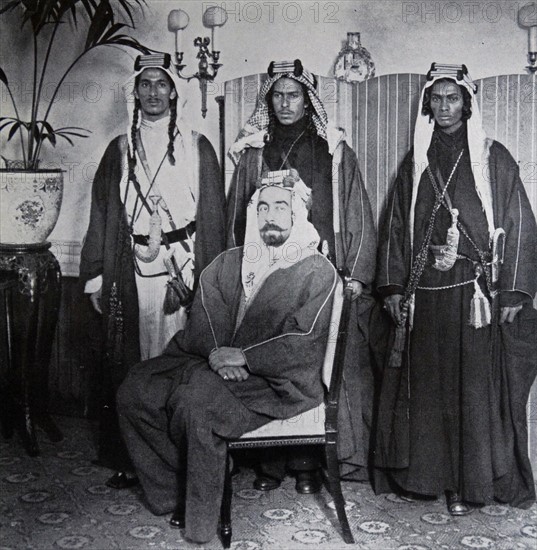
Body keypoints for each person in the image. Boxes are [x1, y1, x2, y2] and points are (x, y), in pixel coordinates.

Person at [117, 177, 340, 544]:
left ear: (298, 214)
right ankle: (174, 489)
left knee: (197, 403)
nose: (270, 217)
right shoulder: (230, 261)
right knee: (135, 389)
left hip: (278, 382)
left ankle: (200, 520)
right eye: (262, 208)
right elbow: (205, 312)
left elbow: (305, 340)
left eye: (280, 207)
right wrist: (220, 355)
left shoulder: (317, 271)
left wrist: (246, 358)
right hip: (214, 363)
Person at [374, 63, 537, 514]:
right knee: (427, 389)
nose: (444, 106)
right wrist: (390, 288)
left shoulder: (493, 157)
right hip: (423, 295)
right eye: (437, 98)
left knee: (470, 393)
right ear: (428, 103)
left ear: (467, 103)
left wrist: (513, 293)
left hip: (473, 297)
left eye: (453, 98)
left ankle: (469, 486)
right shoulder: (416, 160)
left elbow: (520, 224)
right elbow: (393, 226)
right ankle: (428, 480)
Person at [226, 59, 377, 493]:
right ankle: (270, 464)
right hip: (265, 278)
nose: (285, 103)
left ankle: (309, 464)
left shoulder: (332, 150)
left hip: (319, 278)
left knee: (311, 364)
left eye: (294, 95)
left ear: (308, 101)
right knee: (269, 359)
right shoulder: (253, 151)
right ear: (268, 101)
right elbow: (238, 217)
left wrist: (357, 276)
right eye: (277, 95)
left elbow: (357, 215)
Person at [79, 53, 225, 489]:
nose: (154, 92)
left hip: (184, 267)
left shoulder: (197, 146)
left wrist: (207, 280)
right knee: (133, 364)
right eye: (146, 84)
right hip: (131, 267)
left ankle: (181, 462)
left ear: (173, 91)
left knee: (178, 365)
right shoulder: (119, 149)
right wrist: (95, 275)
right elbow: (102, 214)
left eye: (162, 84)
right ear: (135, 92)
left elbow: (213, 216)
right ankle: (135, 461)